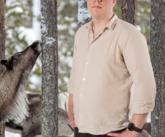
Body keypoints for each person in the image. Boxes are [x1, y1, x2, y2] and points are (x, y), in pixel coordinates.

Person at [67, 0, 156, 137]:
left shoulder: (129, 35)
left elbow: (145, 83)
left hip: (113, 131)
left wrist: (134, 130)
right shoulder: (81, 34)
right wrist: (72, 111)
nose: (97, 1)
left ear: (113, 1)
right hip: (81, 129)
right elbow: (76, 75)